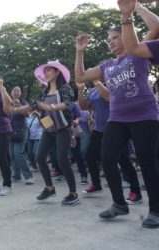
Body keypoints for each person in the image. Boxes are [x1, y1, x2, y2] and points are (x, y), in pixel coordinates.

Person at [74, 0, 159, 228]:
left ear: (125, 35)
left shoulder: (139, 51)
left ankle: (156, 210)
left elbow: (157, 26)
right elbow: (81, 78)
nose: (111, 42)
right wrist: (79, 52)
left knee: (149, 162)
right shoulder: (107, 65)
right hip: (117, 119)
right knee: (108, 158)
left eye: (114, 37)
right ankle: (119, 204)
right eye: (108, 40)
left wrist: (134, 8)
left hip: (145, 116)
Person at [16, 61, 80, 206]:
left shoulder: (65, 88)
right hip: (48, 130)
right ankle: (49, 188)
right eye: (44, 72)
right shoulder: (44, 92)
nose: (46, 74)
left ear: (57, 72)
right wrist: (13, 108)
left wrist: (51, 107)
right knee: (39, 157)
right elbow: (31, 106)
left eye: (49, 70)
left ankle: (73, 193)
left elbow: (68, 104)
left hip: (63, 130)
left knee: (62, 160)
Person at [8, 86, 34, 184]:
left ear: (20, 93)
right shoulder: (9, 103)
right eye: (14, 90)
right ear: (11, 93)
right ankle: (16, 175)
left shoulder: (23, 103)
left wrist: (19, 106)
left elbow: (27, 115)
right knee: (12, 155)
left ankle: (29, 176)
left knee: (18, 153)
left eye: (18, 91)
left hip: (21, 130)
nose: (16, 92)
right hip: (10, 132)